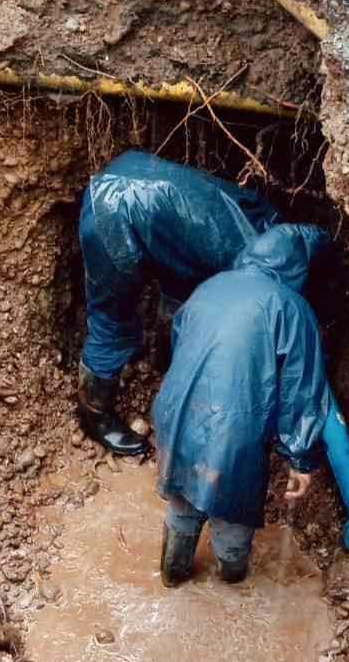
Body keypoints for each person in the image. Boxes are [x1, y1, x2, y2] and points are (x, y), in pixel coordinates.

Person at [152, 224, 331, 587]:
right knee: (231, 515)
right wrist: (300, 458)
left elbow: (178, 345)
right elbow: (300, 389)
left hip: (174, 413)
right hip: (233, 428)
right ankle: (230, 587)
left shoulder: (210, 287)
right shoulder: (291, 308)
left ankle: (172, 577)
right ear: (297, 267)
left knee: (182, 499)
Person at [77, 150, 279, 456]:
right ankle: (95, 415)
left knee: (185, 286)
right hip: (112, 216)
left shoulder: (262, 219)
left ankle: (165, 359)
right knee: (112, 320)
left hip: (136, 177)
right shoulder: (246, 265)